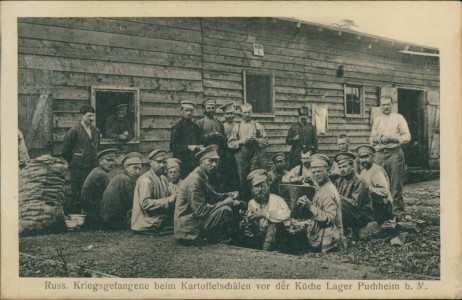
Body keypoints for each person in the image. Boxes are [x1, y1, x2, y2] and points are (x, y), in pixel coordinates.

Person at [174, 145, 240, 244]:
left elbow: (213, 196)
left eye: (216, 161)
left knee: (230, 206)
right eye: (211, 161)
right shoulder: (194, 180)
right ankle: (218, 238)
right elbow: (200, 212)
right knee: (225, 210)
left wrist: (228, 195)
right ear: (201, 162)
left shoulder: (201, 175)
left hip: (191, 222)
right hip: (188, 228)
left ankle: (224, 238)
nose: (214, 165)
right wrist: (225, 202)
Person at [369, 96, 411, 215]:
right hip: (379, 154)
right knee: (379, 182)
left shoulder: (399, 118)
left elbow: (407, 136)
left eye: (388, 104)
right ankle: (382, 212)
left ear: (392, 105)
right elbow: (371, 138)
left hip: (394, 153)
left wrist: (393, 138)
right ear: (380, 106)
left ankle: (397, 212)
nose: (386, 107)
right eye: (383, 105)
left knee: (395, 184)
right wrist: (378, 139)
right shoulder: (377, 120)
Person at [296, 154, 343, 253]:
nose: (316, 174)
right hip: (319, 232)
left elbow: (330, 218)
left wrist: (310, 206)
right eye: (313, 172)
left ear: (327, 170)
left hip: (329, 237)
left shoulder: (328, 190)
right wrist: (303, 204)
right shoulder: (321, 187)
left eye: (319, 171)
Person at [62, 104, 100, 214]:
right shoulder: (74, 131)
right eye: (89, 116)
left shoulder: (95, 131)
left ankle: (90, 217)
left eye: (93, 116)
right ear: (82, 115)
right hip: (78, 168)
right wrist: (74, 161)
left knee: (91, 191)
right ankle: (77, 216)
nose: (91, 118)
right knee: (77, 192)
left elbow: (97, 148)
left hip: (92, 167)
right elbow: (65, 151)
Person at [241, 169, 291, 251]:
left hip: (278, 239)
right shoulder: (251, 203)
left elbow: (287, 214)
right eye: (256, 186)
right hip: (260, 237)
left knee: (273, 224)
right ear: (252, 189)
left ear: (268, 186)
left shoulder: (277, 199)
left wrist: (264, 214)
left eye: (263, 185)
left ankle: (265, 251)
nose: (260, 189)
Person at [228, 103, 268, 201]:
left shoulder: (257, 126)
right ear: (241, 113)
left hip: (255, 154)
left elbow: (266, 141)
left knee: (256, 177)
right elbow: (230, 143)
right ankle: (245, 203)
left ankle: (257, 200)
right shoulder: (237, 127)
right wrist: (242, 141)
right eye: (245, 112)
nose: (247, 115)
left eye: (249, 112)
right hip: (241, 155)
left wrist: (257, 140)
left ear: (251, 113)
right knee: (243, 179)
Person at [131, 149, 176, 234]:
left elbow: (170, 195)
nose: (162, 165)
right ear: (151, 163)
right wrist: (168, 200)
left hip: (159, 218)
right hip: (146, 222)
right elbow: (146, 204)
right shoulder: (146, 180)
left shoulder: (163, 178)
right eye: (159, 162)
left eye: (164, 162)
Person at [333, 152, 373, 240]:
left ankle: (348, 231)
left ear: (352, 167)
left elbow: (355, 203)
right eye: (340, 167)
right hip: (349, 212)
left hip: (361, 215)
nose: (342, 170)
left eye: (344, 166)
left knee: (337, 201)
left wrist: (338, 197)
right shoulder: (340, 180)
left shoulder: (359, 181)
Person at [101, 152, 143, 229]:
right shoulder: (126, 180)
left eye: (139, 169)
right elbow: (134, 203)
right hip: (117, 221)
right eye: (135, 168)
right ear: (126, 167)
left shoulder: (120, 177)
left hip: (109, 219)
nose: (138, 172)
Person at [356, 145, 393, 225]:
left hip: (382, 206)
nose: (363, 160)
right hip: (372, 204)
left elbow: (384, 191)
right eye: (361, 158)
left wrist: (366, 188)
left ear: (372, 157)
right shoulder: (363, 171)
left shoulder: (376, 171)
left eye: (366, 157)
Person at [196, 98, 227, 191]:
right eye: (208, 108)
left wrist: (221, 138)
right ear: (204, 109)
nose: (211, 110)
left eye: (212, 108)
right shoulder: (200, 123)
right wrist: (210, 136)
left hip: (218, 155)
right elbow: (197, 140)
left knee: (218, 177)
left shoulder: (219, 123)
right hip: (206, 155)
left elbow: (224, 140)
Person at [81, 148, 117, 226]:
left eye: (112, 160)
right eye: (108, 160)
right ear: (100, 161)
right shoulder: (101, 174)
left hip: (92, 210)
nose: (111, 163)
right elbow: (112, 193)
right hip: (95, 212)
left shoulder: (97, 171)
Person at [170, 101, 204, 179]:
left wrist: (200, 146)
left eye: (191, 111)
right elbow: (173, 146)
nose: (189, 113)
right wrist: (188, 147)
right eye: (186, 110)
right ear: (181, 111)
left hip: (194, 162)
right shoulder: (177, 127)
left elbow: (200, 142)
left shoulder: (195, 127)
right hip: (182, 162)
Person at [219, 102, 240, 192]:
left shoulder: (238, 125)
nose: (230, 116)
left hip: (239, 153)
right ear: (224, 115)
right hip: (227, 155)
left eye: (231, 113)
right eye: (227, 114)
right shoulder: (222, 126)